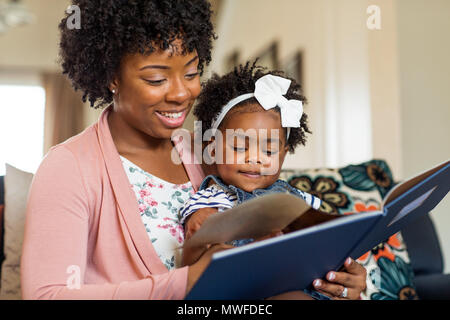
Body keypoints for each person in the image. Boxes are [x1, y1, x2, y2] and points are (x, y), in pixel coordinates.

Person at [20, 0, 365, 300]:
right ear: (111, 76)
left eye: (191, 72)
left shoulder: (207, 151)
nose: (181, 93)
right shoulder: (69, 167)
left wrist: (332, 278)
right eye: (156, 79)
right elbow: (47, 295)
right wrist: (187, 281)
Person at [180, 62, 367, 300]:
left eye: (268, 151)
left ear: (284, 154)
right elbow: (196, 222)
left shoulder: (300, 199)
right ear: (213, 150)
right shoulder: (213, 196)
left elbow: (324, 238)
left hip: (301, 284)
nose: (255, 159)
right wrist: (201, 219)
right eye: (239, 146)